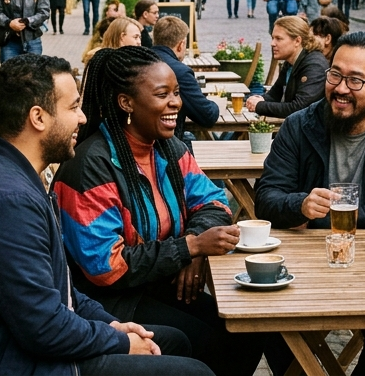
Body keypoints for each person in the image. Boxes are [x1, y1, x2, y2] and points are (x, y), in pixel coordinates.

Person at [0, 53, 213, 376]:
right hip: (11, 363)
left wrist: (113, 324)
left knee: (173, 341)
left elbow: (59, 291)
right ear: (38, 118)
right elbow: (44, 330)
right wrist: (118, 342)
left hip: (17, 346)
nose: (82, 118)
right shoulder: (8, 202)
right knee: (194, 372)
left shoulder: (6, 171)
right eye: (73, 107)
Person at [55, 48, 263, 376]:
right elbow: (107, 268)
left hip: (155, 286)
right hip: (106, 303)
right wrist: (190, 248)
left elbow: (215, 202)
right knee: (206, 343)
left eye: (177, 93)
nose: (176, 103)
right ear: (126, 102)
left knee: (247, 329)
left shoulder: (167, 147)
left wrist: (192, 248)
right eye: (162, 94)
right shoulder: (91, 165)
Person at [255, 31, 365, 376]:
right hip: (305, 266)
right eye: (335, 75)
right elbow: (265, 198)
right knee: (264, 314)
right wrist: (299, 204)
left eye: (356, 80)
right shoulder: (299, 125)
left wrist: (316, 221)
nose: (341, 88)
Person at [151, 17, 221, 141]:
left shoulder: (139, 62)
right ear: (181, 44)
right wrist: (216, 103)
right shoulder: (180, 72)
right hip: (166, 144)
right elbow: (207, 115)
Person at [247, 17, 329, 119]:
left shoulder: (314, 65)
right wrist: (258, 99)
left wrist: (259, 106)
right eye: (273, 38)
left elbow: (299, 108)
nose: (272, 43)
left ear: (297, 41)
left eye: (278, 38)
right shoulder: (290, 62)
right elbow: (274, 95)